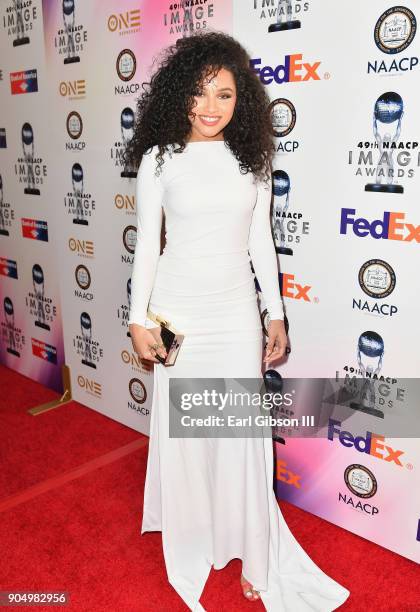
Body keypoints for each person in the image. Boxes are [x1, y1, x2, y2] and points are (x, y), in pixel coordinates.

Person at [125, 31, 350, 611]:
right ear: (179, 95)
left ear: (240, 100)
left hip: (235, 313)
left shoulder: (252, 161)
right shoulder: (159, 159)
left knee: (241, 435)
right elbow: (147, 245)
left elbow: (261, 244)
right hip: (179, 313)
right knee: (188, 430)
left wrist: (275, 313)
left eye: (223, 95)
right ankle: (197, 534)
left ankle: (254, 551)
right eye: (199, 93)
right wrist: (137, 318)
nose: (209, 107)